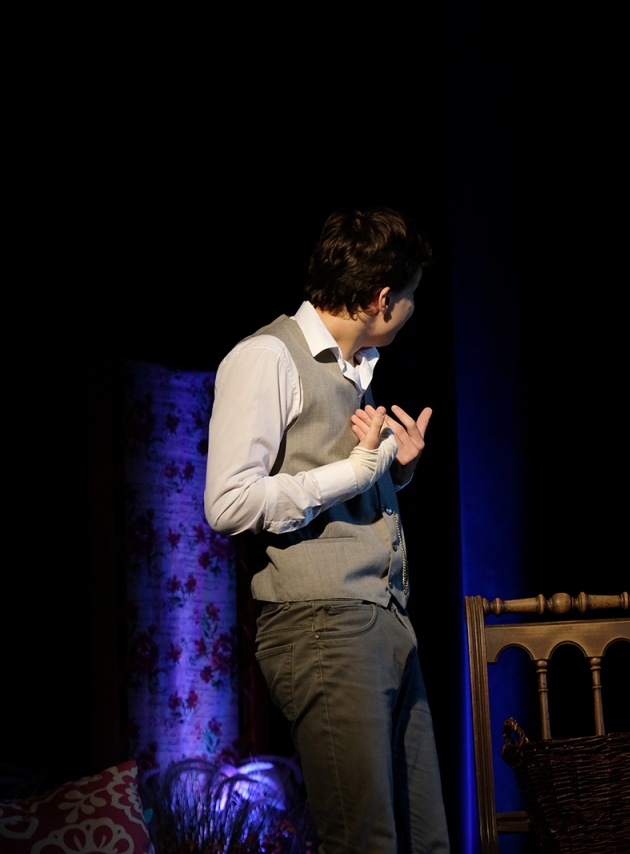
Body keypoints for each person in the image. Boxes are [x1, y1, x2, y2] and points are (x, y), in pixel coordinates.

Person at [204, 207, 450, 853]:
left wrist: (393, 473)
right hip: (322, 624)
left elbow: (332, 483)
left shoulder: (354, 370)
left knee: (425, 838)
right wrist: (354, 471)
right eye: (412, 295)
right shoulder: (266, 357)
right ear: (382, 299)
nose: (413, 309)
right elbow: (228, 504)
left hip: (384, 617)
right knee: (363, 838)